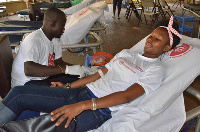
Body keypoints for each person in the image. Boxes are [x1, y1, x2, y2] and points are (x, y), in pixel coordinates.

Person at [0, 16, 182, 131]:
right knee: (19, 93)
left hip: (97, 110)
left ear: (166, 48)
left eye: (158, 40)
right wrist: (68, 85)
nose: (150, 40)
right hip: (79, 93)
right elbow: (98, 75)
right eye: (151, 35)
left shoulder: (155, 70)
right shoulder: (126, 53)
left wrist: (83, 106)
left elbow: (126, 96)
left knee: (36, 127)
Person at [11, 7, 94, 88]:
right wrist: (65, 69)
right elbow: (29, 70)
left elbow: (59, 63)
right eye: (62, 26)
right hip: (25, 84)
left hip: (41, 78)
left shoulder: (55, 39)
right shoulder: (35, 40)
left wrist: (80, 68)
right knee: (63, 92)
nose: (64, 29)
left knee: (79, 79)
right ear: (53, 25)